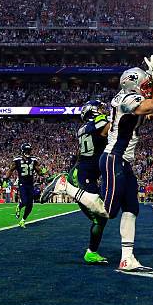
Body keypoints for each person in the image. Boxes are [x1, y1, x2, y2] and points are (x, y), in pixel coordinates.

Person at [45, 54, 153, 272]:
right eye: (145, 84)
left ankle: (127, 258)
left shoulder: (126, 96)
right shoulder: (128, 99)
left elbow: (149, 95)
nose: (148, 87)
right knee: (108, 211)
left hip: (123, 161)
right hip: (114, 159)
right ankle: (64, 186)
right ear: (135, 85)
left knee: (132, 208)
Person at [44, 100, 111, 264]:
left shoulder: (83, 128)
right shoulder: (99, 123)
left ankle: (91, 252)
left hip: (84, 173)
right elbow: (110, 129)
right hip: (83, 176)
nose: (104, 110)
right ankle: (63, 185)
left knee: (101, 218)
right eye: (101, 108)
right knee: (102, 214)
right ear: (94, 111)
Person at [5, 142, 46, 228]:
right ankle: (19, 206)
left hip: (30, 184)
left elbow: (38, 171)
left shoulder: (34, 160)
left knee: (30, 205)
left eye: (29, 150)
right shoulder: (17, 160)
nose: (28, 152)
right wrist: (6, 178)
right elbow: (11, 169)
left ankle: (23, 220)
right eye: (27, 150)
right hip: (22, 183)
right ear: (23, 150)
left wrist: (43, 173)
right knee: (24, 201)